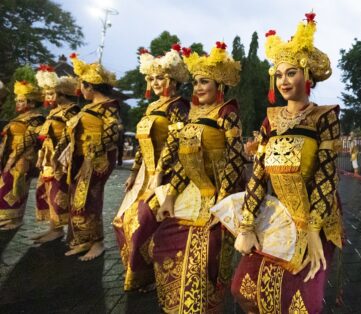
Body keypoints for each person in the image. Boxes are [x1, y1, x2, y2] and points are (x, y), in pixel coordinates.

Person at [231, 12, 344, 313]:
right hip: (279, 215)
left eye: (290, 72)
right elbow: (258, 174)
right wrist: (246, 224)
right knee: (244, 285)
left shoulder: (325, 117)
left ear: (307, 76)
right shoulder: (272, 120)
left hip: (317, 217)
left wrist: (313, 229)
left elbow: (327, 175)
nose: (283, 80)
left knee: (302, 300)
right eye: (278, 74)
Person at [151, 41, 245, 313]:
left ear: (220, 86)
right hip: (189, 194)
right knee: (165, 244)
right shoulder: (190, 114)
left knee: (207, 258)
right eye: (195, 83)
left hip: (218, 195)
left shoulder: (228, 113)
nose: (198, 88)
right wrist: (169, 197)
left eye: (205, 82)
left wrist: (222, 202)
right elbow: (184, 160)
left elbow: (236, 158)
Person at [112, 44, 189, 292]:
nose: (156, 82)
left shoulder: (179, 107)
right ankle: (140, 273)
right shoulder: (151, 107)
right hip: (146, 175)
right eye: (152, 78)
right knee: (124, 220)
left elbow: (177, 142)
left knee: (146, 221)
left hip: (169, 175)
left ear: (173, 79)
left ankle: (158, 272)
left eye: (161, 77)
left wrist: (161, 175)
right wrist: (135, 174)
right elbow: (141, 145)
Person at [54, 53, 122, 261]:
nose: (80, 91)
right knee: (76, 197)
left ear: (90, 86)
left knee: (89, 198)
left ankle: (98, 242)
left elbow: (113, 131)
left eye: (82, 86)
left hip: (98, 158)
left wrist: (94, 153)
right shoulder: (89, 107)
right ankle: (83, 239)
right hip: (82, 157)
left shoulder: (108, 106)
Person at [31, 65, 80, 243]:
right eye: (47, 94)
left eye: (51, 94)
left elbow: (70, 134)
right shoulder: (53, 111)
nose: (48, 97)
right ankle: (52, 227)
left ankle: (58, 228)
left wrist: (57, 155)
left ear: (62, 94)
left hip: (61, 158)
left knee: (59, 191)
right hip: (48, 156)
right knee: (46, 190)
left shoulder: (72, 110)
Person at [0, 77, 45, 230]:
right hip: (10, 154)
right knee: (5, 185)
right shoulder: (19, 118)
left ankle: (16, 219)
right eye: (17, 100)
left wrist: (14, 157)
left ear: (31, 103)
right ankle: (6, 216)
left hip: (23, 157)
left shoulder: (36, 118)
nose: (17, 103)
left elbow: (29, 139)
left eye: (21, 101)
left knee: (17, 186)